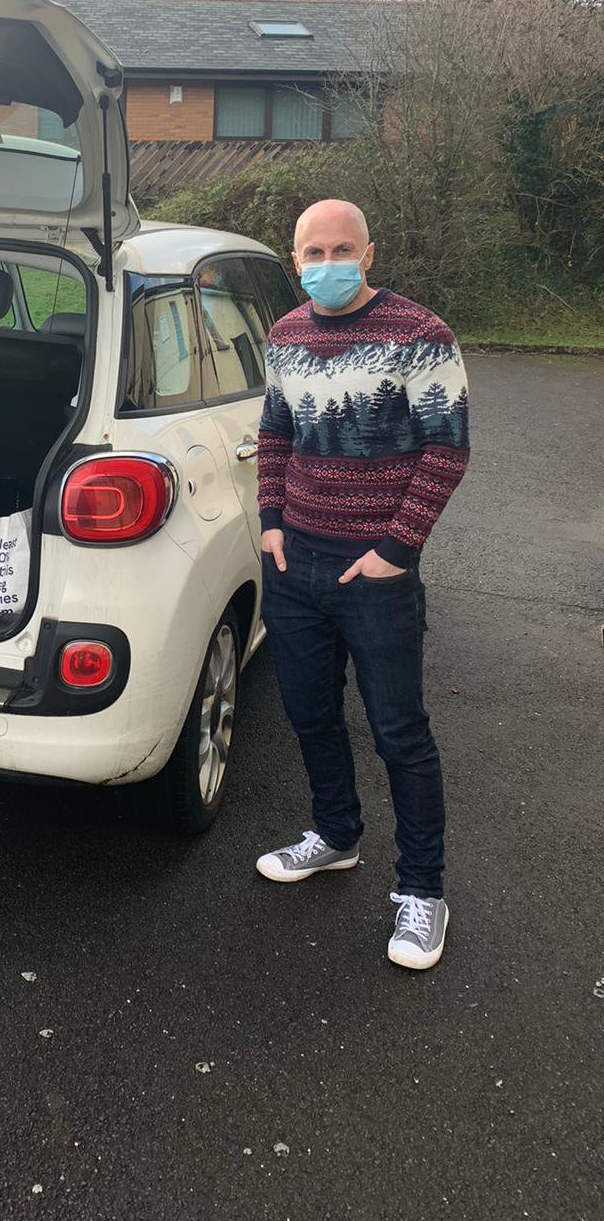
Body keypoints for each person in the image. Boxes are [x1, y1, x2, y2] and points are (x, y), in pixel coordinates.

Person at [255, 199, 470, 970]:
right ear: (296, 257)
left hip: (375, 572)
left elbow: (447, 448)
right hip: (295, 563)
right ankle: (336, 835)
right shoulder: (285, 333)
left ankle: (423, 892)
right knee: (309, 713)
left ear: (370, 252)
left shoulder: (420, 333)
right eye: (313, 252)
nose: (327, 262)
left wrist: (395, 548)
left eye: (342, 248)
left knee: (399, 733)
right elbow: (275, 431)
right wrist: (271, 521)